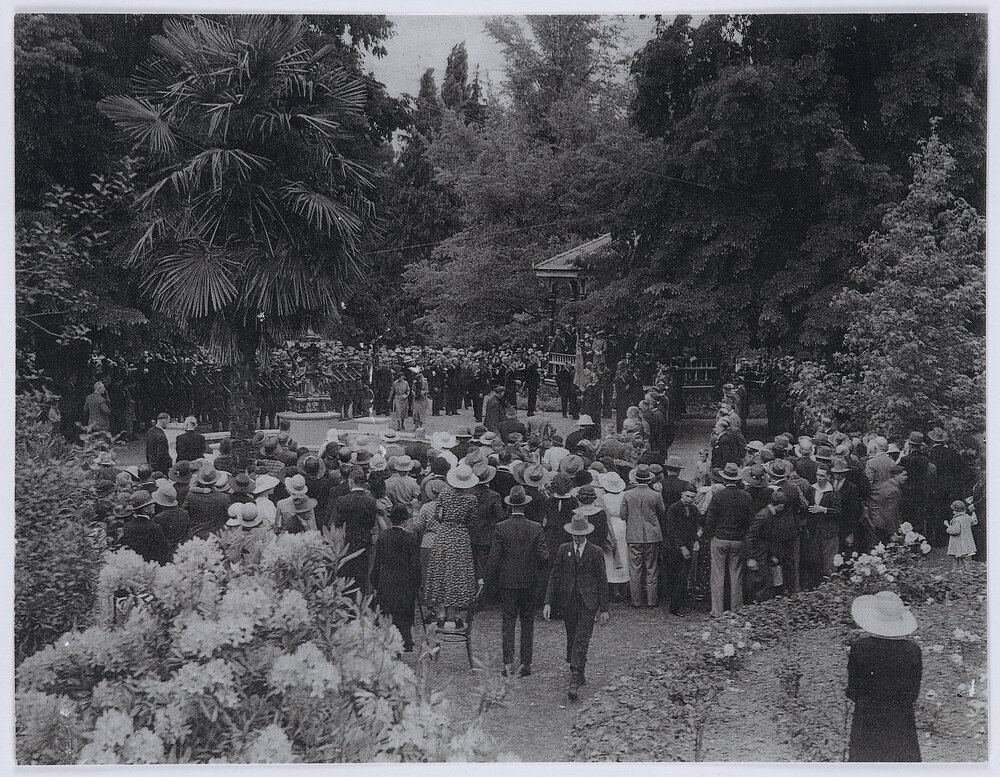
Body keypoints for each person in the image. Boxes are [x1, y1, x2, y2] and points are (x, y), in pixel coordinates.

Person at [847, 591, 922, 762]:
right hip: (901, 722)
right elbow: (913, 693)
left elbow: (853, 691)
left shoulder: (860, 648)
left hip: (867, 721)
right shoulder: (912, 650)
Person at [543, 512, 610, 702]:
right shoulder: (564, 550)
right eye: (575, 534)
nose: (578, 537)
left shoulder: (595, 552)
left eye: (581, 534)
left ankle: (574, 677)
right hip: (568, 601)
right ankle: (579, 671)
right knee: (572, 637)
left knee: (582, 638)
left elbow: (602, 581)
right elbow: (554, 576)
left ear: (586, 533)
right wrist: (548, 602)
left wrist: (604, 608)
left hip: (588, 602)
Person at [485, 486, 549, 677]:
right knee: (527, 621)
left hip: (507, 581)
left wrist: (487, 581)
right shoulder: (536, 527)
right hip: (529, 581)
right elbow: (544, 556)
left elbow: (494, 558)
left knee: (508, 621)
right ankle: (526, 664)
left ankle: (508, 663)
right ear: (525, 505)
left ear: (510, 505)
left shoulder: (501, 528)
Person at [424, 464, 481, 627]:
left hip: (444, 535)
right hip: (461, 536)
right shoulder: (471, 499)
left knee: (440, 571)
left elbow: (437, 515)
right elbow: (472, 521)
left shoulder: (444, 494)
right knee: (459, 574)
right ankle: (456, 614)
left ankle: (441, 612)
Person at [704, 462, 753, 616]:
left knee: (718, 575)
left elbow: (710, 520)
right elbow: (749, 520)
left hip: (720, 538)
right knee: (736, 575)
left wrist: (708, 535)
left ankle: (717, 610)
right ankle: (736, 608)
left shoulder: (718, 496)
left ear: (724, 480)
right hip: (738, 540)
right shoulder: (746, 496)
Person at [371, 504, 422, 653]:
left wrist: (374, 581)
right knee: (404, 613)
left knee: (387, 612)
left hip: (386, 580)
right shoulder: (410, 538)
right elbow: (415, 565)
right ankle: (405, 642)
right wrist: (417, 583)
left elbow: (377, 561)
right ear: (405, 521)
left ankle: (386, 642)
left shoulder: (383, 537)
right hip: (405, 582)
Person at [621, 464, 665, 608]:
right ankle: (652, 600)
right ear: (648, 479)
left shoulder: (628, 494)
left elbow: (623, 515)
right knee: (652, 568)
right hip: (652, 534)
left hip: (633, 534)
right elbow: (661, 512)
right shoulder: (656, 495)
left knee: (635, 568)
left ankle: (636, 601)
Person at [330, 468, 379, 595]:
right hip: (363, 541)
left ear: (351, 482)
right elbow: (371, 523)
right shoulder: (371, 501)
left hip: (345, 542)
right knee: (361, 574)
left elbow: (335, 523)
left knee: (345, 573)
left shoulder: (341, 500)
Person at [662, 483, 699, 615]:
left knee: (683, 576)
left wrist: (695, 540)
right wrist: (682, 547)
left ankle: (677, 602)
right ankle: (674, 605)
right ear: (682, 495)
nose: (690, 499)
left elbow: (695, 527)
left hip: (687, 545)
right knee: (674, 575)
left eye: (692, 497)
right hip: (673, 547)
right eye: (687, 496)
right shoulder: (674, 508)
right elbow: (671, 530)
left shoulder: (694, 510)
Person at [121, 490, 172, 565]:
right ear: (145, 509)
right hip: (153, 564)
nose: (154, 505)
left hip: (136, 564)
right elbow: (164, 549)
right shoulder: (154, 527)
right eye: (151, 504)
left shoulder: (127, 527)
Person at [599, 472, 629, 602]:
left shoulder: (603, 498)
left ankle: (613, 586)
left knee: (609, 556)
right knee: (624, 554)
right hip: (622, 525)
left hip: (609, 525)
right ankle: (624, 585)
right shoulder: (624, 496)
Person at [945, 499, 977, 569]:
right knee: (964, 559)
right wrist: (973, 513)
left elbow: (955, 531)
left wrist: (948, 526)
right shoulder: (967, 517)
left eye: (953, 510)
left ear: (956, 511)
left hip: (958, 544)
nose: (953, 512)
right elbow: (973, 521)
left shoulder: (957, 520)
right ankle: (967, 572)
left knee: (955, 559)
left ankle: (954, 571)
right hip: (965, 544)